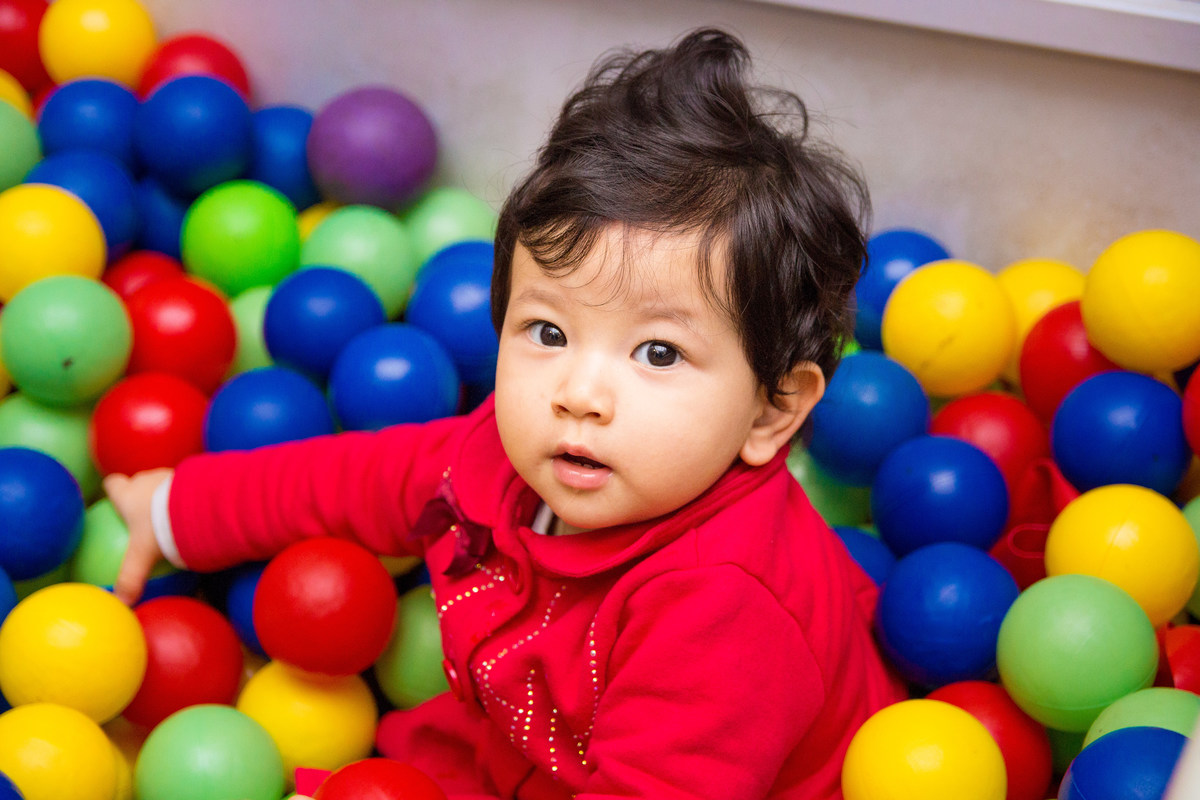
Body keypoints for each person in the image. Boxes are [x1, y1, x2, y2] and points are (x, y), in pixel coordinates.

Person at [106, 27, 905, 800]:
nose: (579, 393)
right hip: (513, 747)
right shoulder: (512, 448)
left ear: (772, 413)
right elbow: (363, 478)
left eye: (658, 353)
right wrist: (178, 508)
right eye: (548, 332)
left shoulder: (722, 610)